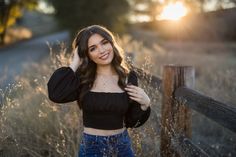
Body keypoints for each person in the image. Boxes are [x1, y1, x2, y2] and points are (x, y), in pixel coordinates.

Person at [47, 25, 151, 157]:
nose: (102, 50)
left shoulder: (128, 77)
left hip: (122, 147)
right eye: (93, 48)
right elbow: (56, 94)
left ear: (111, 43)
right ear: (86, 54)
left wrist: (145, 104)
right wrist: (74, 63)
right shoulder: (82, 78)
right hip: (92, 148)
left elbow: (131, 121)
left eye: (104, 43)